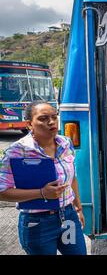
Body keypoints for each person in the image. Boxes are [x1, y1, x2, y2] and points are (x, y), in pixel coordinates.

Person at [0, 101, 87, 255]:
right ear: (29, 124)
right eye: (43, 118)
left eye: (54, 117)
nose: (51, 122)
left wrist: (78, 208)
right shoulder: (17, 151)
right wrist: (41, 193)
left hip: (68, 217)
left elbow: (72, 178)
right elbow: (2, 191)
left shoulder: (66, 143)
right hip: (37, 223)